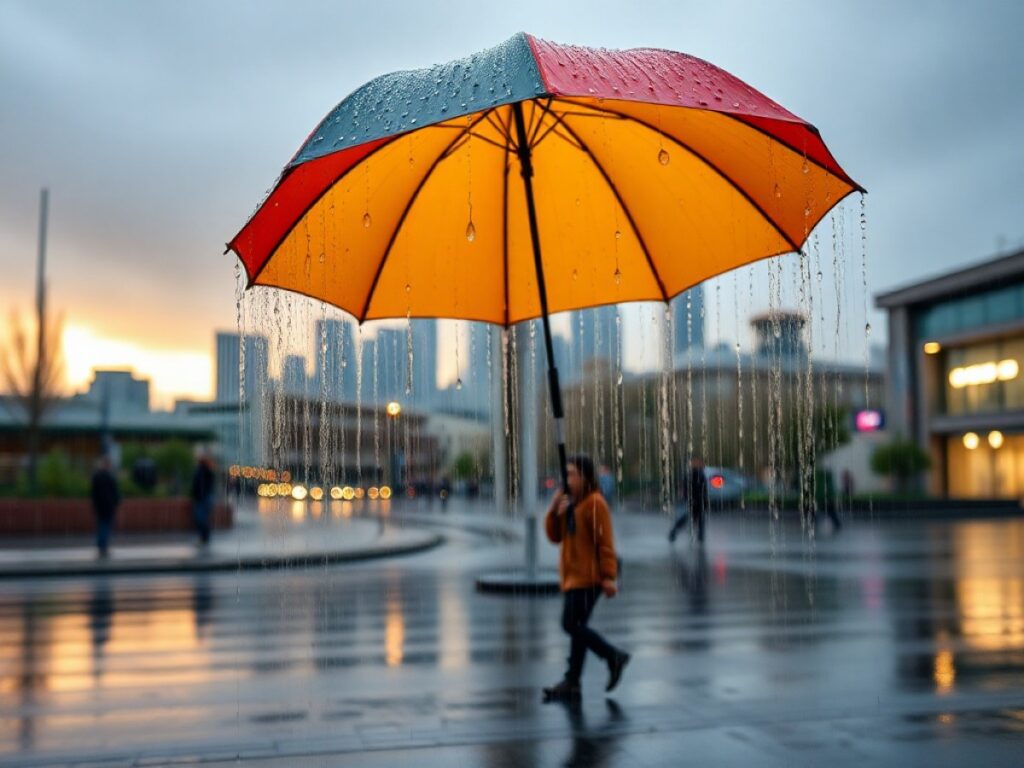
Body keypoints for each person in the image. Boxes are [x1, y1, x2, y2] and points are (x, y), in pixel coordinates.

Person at [542, 454, 630, 701]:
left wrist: (609, 577)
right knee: (577, 628)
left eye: (571, 474)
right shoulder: (572, 503)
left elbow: (606, 544)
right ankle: (572, 681)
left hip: (589, 579)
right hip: (572, 577)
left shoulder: (595, 504)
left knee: (570, 625)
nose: (566, 479)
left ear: (585, 476)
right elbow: (554, 536)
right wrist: (555, 511)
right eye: (565, 474)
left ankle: (612, 656)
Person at [668, 456, 708, 544]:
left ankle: (700, 536)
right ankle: (674, 532)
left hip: (698, 500)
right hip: (695, 500)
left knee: (697, 518)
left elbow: (702, 488)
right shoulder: (694, 474)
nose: (702, 464)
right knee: (691, 518)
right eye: (700, 462)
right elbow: (689, 487)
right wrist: (692, 498)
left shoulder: (699, 473)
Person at [89, 455, 120, 559]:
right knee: (105, 526)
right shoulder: (110, 477)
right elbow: (115, 492)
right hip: (108, 506)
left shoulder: (97, 476)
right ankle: (103, 547)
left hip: (100, 506)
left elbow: (93, 493)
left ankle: (101, 546)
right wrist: (115, 503)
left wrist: (94, 504)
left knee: (101, 525)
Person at [190, 454, 216, 546]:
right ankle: (204, 538)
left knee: (200, 518)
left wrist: (199, 495)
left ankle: (204, 538)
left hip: (202, 498)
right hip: (204, 497)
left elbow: (200, 485)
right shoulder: (206, 471)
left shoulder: (202, 471)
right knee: (202, 518)